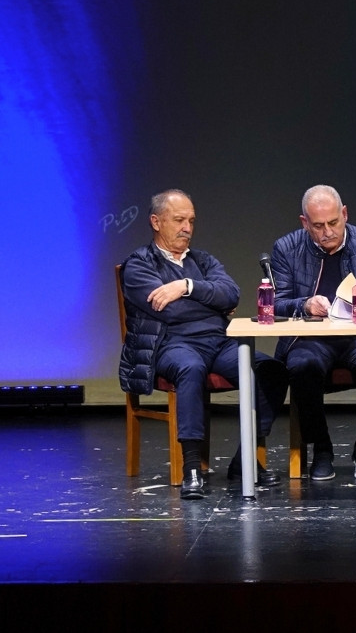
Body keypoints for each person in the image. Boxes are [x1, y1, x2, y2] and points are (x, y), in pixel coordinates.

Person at [119, 189, 288, 499]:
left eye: (191, 221)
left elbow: (232, 294)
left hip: (218, 342)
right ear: (156, 222)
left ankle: (244, 461)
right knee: (191, 368)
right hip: (171, 345)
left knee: (270, 370)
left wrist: (187, 285)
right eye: (179, 220)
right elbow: (170, 310)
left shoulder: (203, 260)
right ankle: (192, 469)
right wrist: (213, 303)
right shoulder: (139, 266)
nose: (187, 228)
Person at [270, 185, 356, 482]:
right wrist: (304, 304)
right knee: (302, 366)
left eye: (333, 222)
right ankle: (321, 448)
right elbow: (276, 302)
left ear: (344, 214)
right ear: (305, 222)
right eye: (318, 226)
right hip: (314, 338)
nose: (327, 232)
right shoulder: (286, 248)